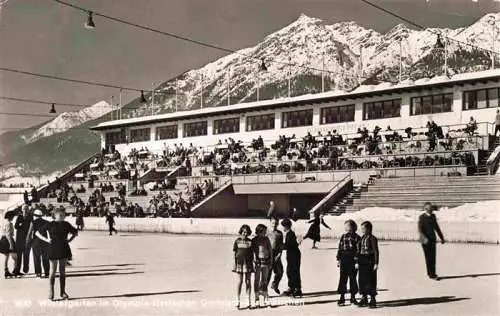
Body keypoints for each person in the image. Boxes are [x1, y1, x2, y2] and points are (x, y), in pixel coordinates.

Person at [36, 207, 78, 300]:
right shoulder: (50, 224)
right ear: (54, 215)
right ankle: (51, 292)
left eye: (63, 214)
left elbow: (75, 232)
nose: (63, 216)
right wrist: (47, 240)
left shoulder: (66, 224)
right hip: (53, 248)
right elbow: (37, 233)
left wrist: (69, 240)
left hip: (64, 248)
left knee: (62, 271)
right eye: (60, 214)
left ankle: (62, 292)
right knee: (52, 271)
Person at [337, 219, 361, 306]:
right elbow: (340, 248)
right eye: (345, 227)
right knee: (343, 279)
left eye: (347, 226)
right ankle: (342, 297)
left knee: (352, 279)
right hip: (344, 259)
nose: (346, 228)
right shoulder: (343, 236)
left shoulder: (357, 237)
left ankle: (353, 297)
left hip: (352, 260)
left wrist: (357, 262)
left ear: (353, 227)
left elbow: (359, 251)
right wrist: (338, 259)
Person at [418, 202, 445, 280]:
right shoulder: (422, 217)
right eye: (429, 208)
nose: (431, 209)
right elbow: (420, 229)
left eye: (431, 208)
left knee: (433, 257)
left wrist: (441, 237)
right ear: (426, 209)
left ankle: (433, 273)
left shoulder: (433, 216)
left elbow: (436, 227)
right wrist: (424, 238)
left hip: (432, 239)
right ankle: (431, 274)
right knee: (428, 257)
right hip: (425, 240)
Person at [356, 221, 379, 308]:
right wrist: (357, 261)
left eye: (363, 228)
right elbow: (358, 250)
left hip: (370, 261)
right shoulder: (362, 238)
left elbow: (376, 251)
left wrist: (376, 263)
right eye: (361, 228)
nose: (361, 230)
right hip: (362, 261)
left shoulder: (373, 238)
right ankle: (364, 298)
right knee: (362, 279)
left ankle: (372, 299)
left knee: (371, 280)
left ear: (368, 229)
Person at [232, 224, 254, 309]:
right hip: (239, 264)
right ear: (241, 232)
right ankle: (237, 300)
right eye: (243, 232)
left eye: (247, 232)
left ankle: (248, 301)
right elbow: (234, 253)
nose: (245, 233)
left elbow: (253, 254)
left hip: (248, 264)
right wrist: (234, 264)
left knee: (248, 282)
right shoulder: (237, 241)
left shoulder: (250, 242)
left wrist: (254, 263)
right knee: (239, 282)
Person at [252, 224, 272, 307]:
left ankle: (265, 298)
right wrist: (254, 262)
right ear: (259, 232)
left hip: (266, 262)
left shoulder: (266, 239)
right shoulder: (254, 240)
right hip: (257, 263)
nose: (265, 233)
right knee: (256, 280)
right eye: (264, 231)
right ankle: (256, 298)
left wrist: (271, 261)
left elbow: (270, 251)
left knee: (264, 280)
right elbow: (252, 252)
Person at [281, 218, 302, 297]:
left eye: (283, 226)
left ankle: (297, 289)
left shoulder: (290, 234)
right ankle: (292, 287)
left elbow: (288, 245)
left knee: (294, 271)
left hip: (294, 255)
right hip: (292, 255)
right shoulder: (290, 233)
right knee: (290, 271)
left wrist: (280, 246)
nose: (283, 228)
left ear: (286, 226)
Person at [26, 209, 49, 278]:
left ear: (35, 215)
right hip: (45, 241)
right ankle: (47, 272)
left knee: (36, 258)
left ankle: (38, 273)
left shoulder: (33, 222)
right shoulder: (46, 222)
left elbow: (29, 233)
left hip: (36, 241)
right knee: (45, 257)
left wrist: (27, 242)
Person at [13, 205, 33, 276]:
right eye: (24, 209)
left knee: (26, 255)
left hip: (28, 239)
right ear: (22, 210)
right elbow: (16, 226)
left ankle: (25, 269)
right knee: (19, 256)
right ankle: (17, 270)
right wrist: (20, 225)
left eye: (26, 209)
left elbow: (32, 227)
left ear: (28, 210)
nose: (25, 210)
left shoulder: (31, 217)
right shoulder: (19, 217)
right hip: (19, 240)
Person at [267, 217, 284, 295]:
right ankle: (264, 290)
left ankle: (275, 284)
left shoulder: (279, 233)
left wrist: (279, 254)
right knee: (268, 274)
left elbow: (281, 245)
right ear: (270, 222)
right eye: (273, 223)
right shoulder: (266, 232)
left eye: (276, 223)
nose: (274, 225)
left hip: (276, 255)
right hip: (267, 256)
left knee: (280, 272)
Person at [0, 211, 18, 278]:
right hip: (8, 240)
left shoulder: (3, 222)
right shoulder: (9, 223)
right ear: (10, 216)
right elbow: (8, 235)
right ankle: (15, 270)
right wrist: (11, 244)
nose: (13, 217)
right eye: (13, 216)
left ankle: (6, 271)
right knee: (15, 257)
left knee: (6, 257)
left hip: (3, 239)